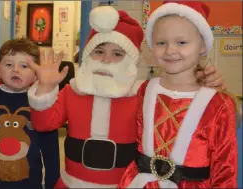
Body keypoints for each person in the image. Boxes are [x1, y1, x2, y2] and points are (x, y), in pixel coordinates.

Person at [26, 5, 225, 188]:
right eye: (99, 51)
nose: (106, 59)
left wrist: (205, 82)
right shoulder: (73, 91)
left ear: (131, 60)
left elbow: (185, 115)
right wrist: (44, 88)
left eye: (117, 54)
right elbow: (44, 124)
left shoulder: (144, 93)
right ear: (87, 55)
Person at [118, 1, 238, 188]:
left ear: (203, 46)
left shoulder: (218, 103)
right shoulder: (145, 90)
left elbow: (225, 170)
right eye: (161, 43)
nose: (170, 50)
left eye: (181, 42)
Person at [0, 38, 60, 189]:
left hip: (30, 183)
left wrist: (52, 183)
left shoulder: (41, 102)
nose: (15, 70)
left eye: (24, 65)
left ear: (36, 74)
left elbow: (51, 149)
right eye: (9, 64)